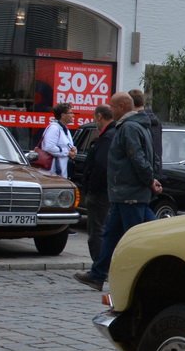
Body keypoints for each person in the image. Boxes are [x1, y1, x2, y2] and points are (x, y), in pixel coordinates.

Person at [75, 91, 157, 291]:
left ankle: (143, 279)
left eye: (112, 106)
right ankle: (97, 275)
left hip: (131, 194)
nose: (109, 110)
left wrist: (149, 180)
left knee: (137, 239)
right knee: (111, 234)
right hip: (125, 194)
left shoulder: (129, 127)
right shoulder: (137, 126)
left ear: (121, 107)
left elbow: (137, 158)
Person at [83, 105, 115, 262]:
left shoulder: (108, 136)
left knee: (97, 231)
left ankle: (99, 268)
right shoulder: (109, 135)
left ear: (100, 117)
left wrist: (92, 187)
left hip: (101, 191)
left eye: (94, 117)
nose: (94, 120)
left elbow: (102, 165)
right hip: (106, 190)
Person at [40, 103, 76, 177]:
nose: (73, 115)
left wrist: (74, 150)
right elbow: (49, 147)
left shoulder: (64, 129)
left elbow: (68, 146)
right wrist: (67, 152)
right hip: (52, 172)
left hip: (61, 172)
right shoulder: (54, 128)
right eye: (71, 113)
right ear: (63, 115)